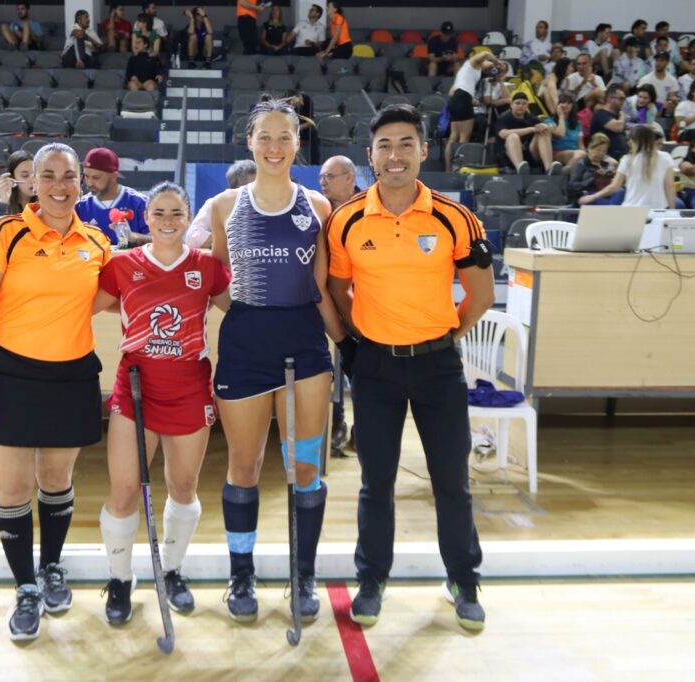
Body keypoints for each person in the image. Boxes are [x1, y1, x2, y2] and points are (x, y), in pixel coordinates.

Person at [326, 103, 494, 630]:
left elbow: (481, 294)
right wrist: (358, 343)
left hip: (438, 368)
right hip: (374, 368)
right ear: (370, 155)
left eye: (405, 144)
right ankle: (372, 579)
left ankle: (463, 580)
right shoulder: (347, 218)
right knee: (376, 483)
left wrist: (444, 337)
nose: (394, 155)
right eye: (384, 146)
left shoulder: (454, 217)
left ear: (423, 151)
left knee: (452, 481)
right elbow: (335, 288)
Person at [0, 143, 110, 642]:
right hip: (9, 377)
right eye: (48, 176)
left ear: (82, 183)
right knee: (13, 489)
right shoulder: (5, 232)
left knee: (56, 478)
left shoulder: (97, 241)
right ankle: (25, 587)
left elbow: (118, 296)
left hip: (70, 377)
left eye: (69, 176)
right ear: (31, 182)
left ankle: (51, 568)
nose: (59, 186)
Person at [209, 95, 349, 624]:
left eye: (283, 137)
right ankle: (241, 573)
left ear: (297, 144)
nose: (273, 146)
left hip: (305, 350)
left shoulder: (317, 207)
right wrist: (250, 313)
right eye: (263, 137)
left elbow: (320, 287)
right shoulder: (226, 206)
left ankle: (302, 572)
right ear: (250, 142)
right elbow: (217, 284)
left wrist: (348, 345)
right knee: (243, 466)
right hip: (245, 347)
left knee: (305, 466)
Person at [95, 181, 231, 625]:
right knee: (124, 490)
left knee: (184, 487)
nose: (168, 221)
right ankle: (119, 579)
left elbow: (243, 311)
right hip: (135, 387)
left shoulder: (206, 267)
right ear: (145, 218)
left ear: (188, 217)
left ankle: (171, 571)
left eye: (177, 213)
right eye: (159, 213)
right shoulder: (122, 265)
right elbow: (90, 306)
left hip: (190, 386)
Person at [318, 154, 359, 454]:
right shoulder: (321, 212)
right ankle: (337, 426)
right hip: (325, 303)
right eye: (321, 178)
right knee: (333, 369)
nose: (323, 183)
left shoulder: (367, 209)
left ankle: (362, 429)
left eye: (329, 177)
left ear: (349, 178)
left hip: (360, 304)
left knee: (360, 373)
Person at [579, 125, 675, 208]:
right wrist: (672, 209)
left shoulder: (627, 160)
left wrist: (593, 196)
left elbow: (614, 187)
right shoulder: (666, 157)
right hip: (658, 209)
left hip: (632, 209)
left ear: (633, 141)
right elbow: (669, 186)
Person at [76, 147, 150, 246]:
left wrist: (133, 237)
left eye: (96, 177)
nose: (89, 183)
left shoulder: (140, 203)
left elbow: (159, 241)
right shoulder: (80, 207)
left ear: (114, 176)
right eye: (86, 177)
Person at [446, 50, 505, 171]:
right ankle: (459, 168)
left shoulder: (467, 72)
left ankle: (448, 169)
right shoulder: (471, 64)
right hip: (463, 99)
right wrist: (496, 61)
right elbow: (484, 53)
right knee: (464, 137)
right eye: (488, 63)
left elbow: (451, 92)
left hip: (456, 100)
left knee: (453, 137)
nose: (490, 65)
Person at [186, 160, 256, 249]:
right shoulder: (216, 204)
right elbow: (193, 237)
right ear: (237, 187)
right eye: (254, 185)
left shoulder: (268, 206)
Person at [496, 92, 559, 175]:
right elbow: (503, 134)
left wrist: (544, 126)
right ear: (511, 105)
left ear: (527, 106)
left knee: (543, 132)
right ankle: (520, 168)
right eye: (517, 103)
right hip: (509, 156)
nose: (521, 106)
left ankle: (549, 169)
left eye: (524, 103)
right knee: (513, 136)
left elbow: (542, 126)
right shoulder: (504, 118)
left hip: (530, 155)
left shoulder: (531, 117)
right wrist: (531, 129)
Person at [0, 151, 35, 223]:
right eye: (25, 176)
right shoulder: (0, 198)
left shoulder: (44, 199)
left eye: (35, 175)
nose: (32, 180)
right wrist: (4, 202)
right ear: (12, 177)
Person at [568, 132, 619, 204]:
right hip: (588, 195)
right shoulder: (581, 164)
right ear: (590, 148)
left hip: (604, 194)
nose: (601, 153)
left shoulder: (606, 165)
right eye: (598, 150)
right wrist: (593, 179)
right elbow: (572, 186)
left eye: (604, 151)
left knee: (621, 192)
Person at [589, 84, 629, 160]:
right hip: (604, 156)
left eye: (624, 99)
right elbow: (618, 127)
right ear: (609, 99)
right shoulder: (600, 114)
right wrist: (622, 114)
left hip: (623, 157)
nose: (623, 102)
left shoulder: (618, 117)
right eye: (620, 99)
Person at [549, 93, 586, 170]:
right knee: (580, 154)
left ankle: (566, 171)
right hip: (557, 153)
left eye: (569, 103)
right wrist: (561, 117)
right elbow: (560, 134)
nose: (566, 105)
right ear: (558, 105)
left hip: (575, 153)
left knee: (583, 154)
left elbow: (580, 144)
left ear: (572, 106)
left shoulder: (577, 123)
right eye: (563, 102)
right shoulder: (550, 121)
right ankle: (563, 174)